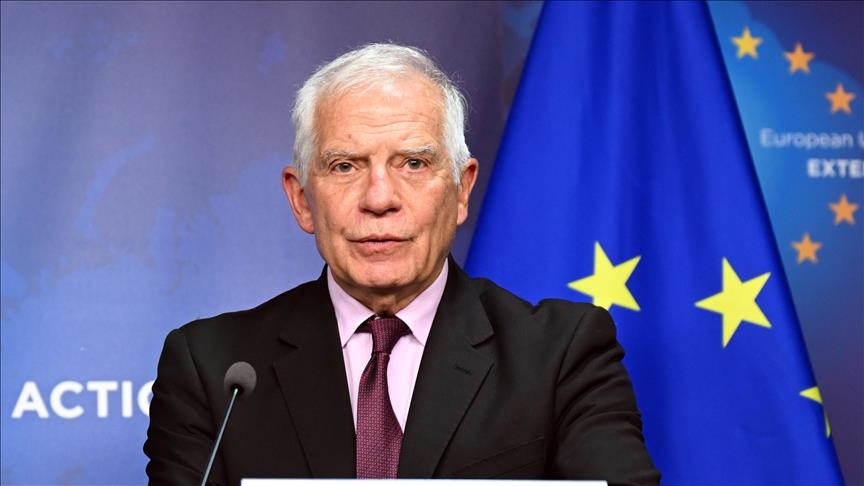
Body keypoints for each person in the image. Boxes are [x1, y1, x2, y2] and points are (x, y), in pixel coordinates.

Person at [144, 43, 659, 486]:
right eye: (345, 166)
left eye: (413, 163)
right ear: (302, 200)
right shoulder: (213, 367)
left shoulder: (560, 354)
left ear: (461, 190)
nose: (379, 198)